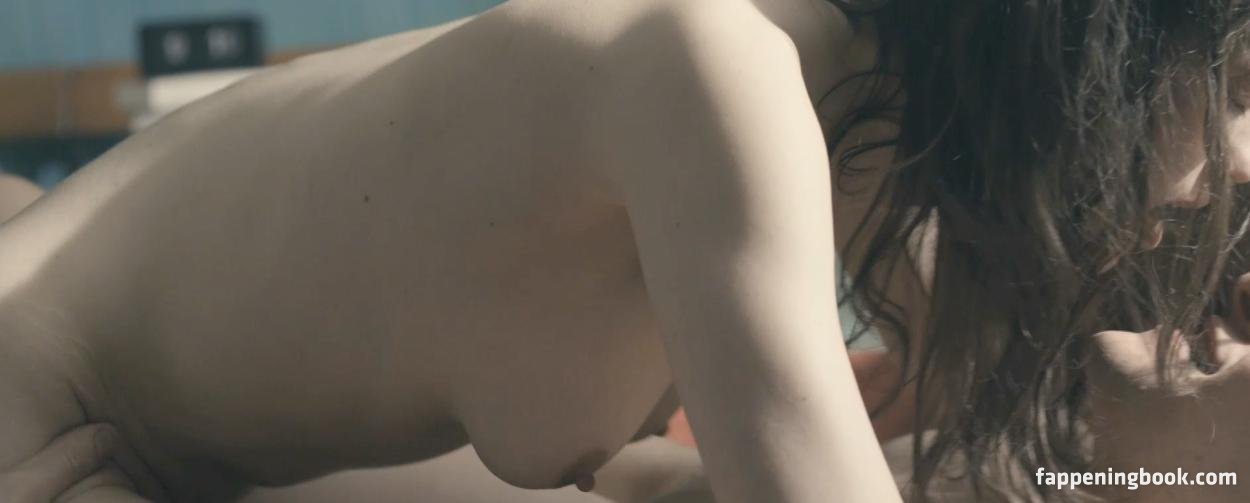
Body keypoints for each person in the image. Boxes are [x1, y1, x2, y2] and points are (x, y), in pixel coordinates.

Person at [2, 0, 1249, 502]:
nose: (1238, 156)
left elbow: (1023, 467)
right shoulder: (717, 79)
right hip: (37, 397)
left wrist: (1174, 471)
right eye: (1234, 86)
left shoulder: (863, 176)